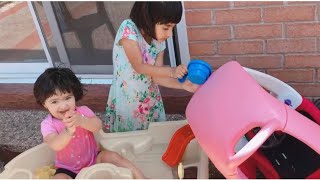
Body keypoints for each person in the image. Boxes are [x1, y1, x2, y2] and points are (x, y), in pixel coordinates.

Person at [33, 67, 145, 179]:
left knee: (113, 157)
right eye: (54, 101)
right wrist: (68, 131)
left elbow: (97, 126)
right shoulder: (48, 124)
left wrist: (82, 121)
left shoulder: (82, 111)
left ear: (74, 95)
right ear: (44, 104)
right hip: (67, 169)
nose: (63, 105)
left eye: (67, 98)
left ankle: (140, 177)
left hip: (94, 159)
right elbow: (55, 144)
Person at [105, 2, 199, 133]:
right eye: (166, 28)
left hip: (150, 100)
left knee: (153, 138)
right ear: (148, 18)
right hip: (128, 101)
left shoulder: (158, 42)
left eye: (172, 28)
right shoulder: (128, 29)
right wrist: (172, 71)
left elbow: (157, 78)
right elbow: (139, 66)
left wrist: (183, 85)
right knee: (131, 141)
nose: (169, 34)